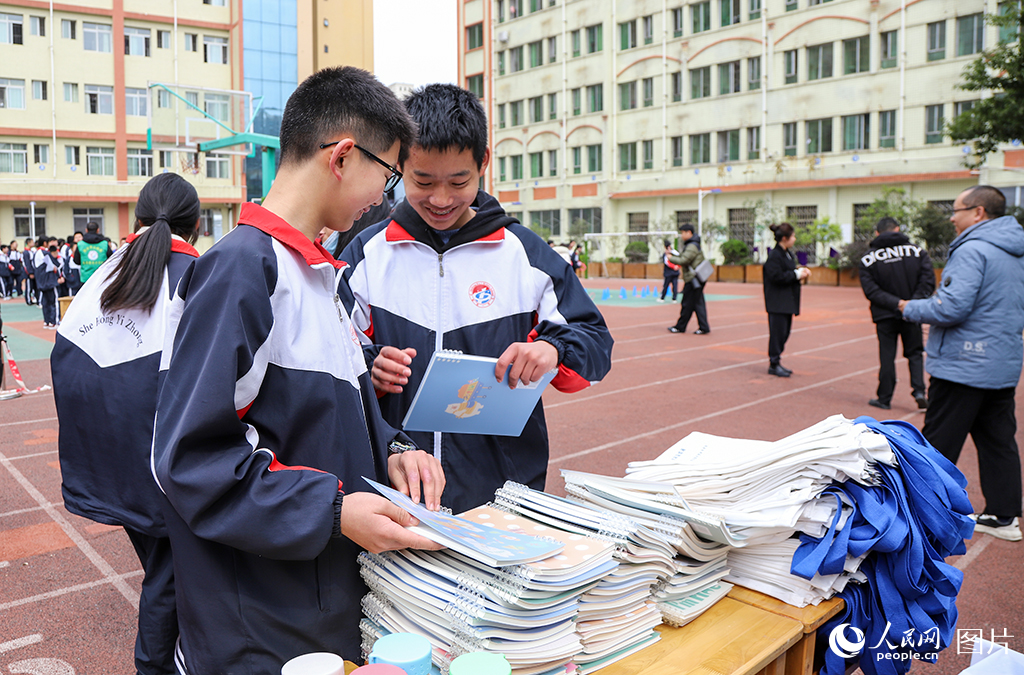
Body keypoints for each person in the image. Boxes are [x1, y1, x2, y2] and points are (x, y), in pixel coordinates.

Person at [152, 66, 446, 674]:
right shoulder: (245, 270)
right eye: (388, 174)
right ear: (342, 156)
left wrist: (392, 448)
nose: (385, 196)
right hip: (259, 625)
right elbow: (190, 459)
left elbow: (327, 416)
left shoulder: (317, 275)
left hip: (314, 603)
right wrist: (334, 511)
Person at [340, 83, 613, 514]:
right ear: (399, 164)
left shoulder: (524, 254)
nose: (441, 199)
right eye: (423, 180)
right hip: (397, 493)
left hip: (504, 497)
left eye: (459, 180)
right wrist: (369, 366)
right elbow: (331, 355)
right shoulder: (367, 255)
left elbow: (596, 345)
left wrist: (551, 349)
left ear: (483, 162)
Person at [52, 173, 204, 675]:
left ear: (136, 219)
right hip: (160, 460)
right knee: (170, 580)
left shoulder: (107, 272)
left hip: (105, 452)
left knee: (164, 570)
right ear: (197, 224)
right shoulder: (195, 272)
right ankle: (154, 666)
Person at [901, 185, 1024, 542]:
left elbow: (951, 307)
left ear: (978, 213)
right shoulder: (1015, 251)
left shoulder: (973, 249)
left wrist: (909, 308)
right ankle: (1005, 517)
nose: (952, 218)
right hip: (1000, 363)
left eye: (956, 210)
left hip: (963, 363)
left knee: (938, 441)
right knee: (998, 440)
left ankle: (921, 515)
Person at [858, 217, 934, 411]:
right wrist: (910, 304)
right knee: (915, 353)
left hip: (885, 314)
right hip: (913, 313)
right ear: (898, 229)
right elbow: (928, 281)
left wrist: (896, 303)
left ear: (877, 233)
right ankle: (919, 392)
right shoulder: (917, 252)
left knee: (887, 356)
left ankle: (884, 398)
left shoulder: (868, 258)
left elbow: (871, 290)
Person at [763, 223, 810, 377]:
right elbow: (776, 276)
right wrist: (796, 275)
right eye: (793, 236)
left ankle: (777, 360)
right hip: (777, 301)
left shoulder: (787, 253)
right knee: (778, 333)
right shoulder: (775, 256)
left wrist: (799, 271)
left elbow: (788, 271)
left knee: (784, 333)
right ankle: (774, 363)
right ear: (784, 238)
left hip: (787, 300)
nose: (794, 239)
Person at [667, 224, 710, 334]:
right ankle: (703, 327)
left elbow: (684, 260)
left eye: (683, 232)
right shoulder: (693, 244)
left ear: (689, 232)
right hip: (697, 278)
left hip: (693, 279)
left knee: (687, 304)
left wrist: (671, 258)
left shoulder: (692, 246)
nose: (682, 235)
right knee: (697, 303)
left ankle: (680, 327)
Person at [34, 243, 63, 328]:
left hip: (43, 283)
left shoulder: (38, 256)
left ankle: (47, 321)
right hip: (50, 282)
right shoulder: (47, 256)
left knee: (46, 302)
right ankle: (55, 321)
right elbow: (56, 267)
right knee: (54, 302)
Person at [22, 238, 37, 305]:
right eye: (32, 242)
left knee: (33, 286)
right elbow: (27, 264)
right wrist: (30, 272)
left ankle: (34, 298)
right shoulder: (26, 252)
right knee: (29, 287)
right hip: (28, 273)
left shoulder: (31, 251)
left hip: (33, 271)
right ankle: (28, 300)